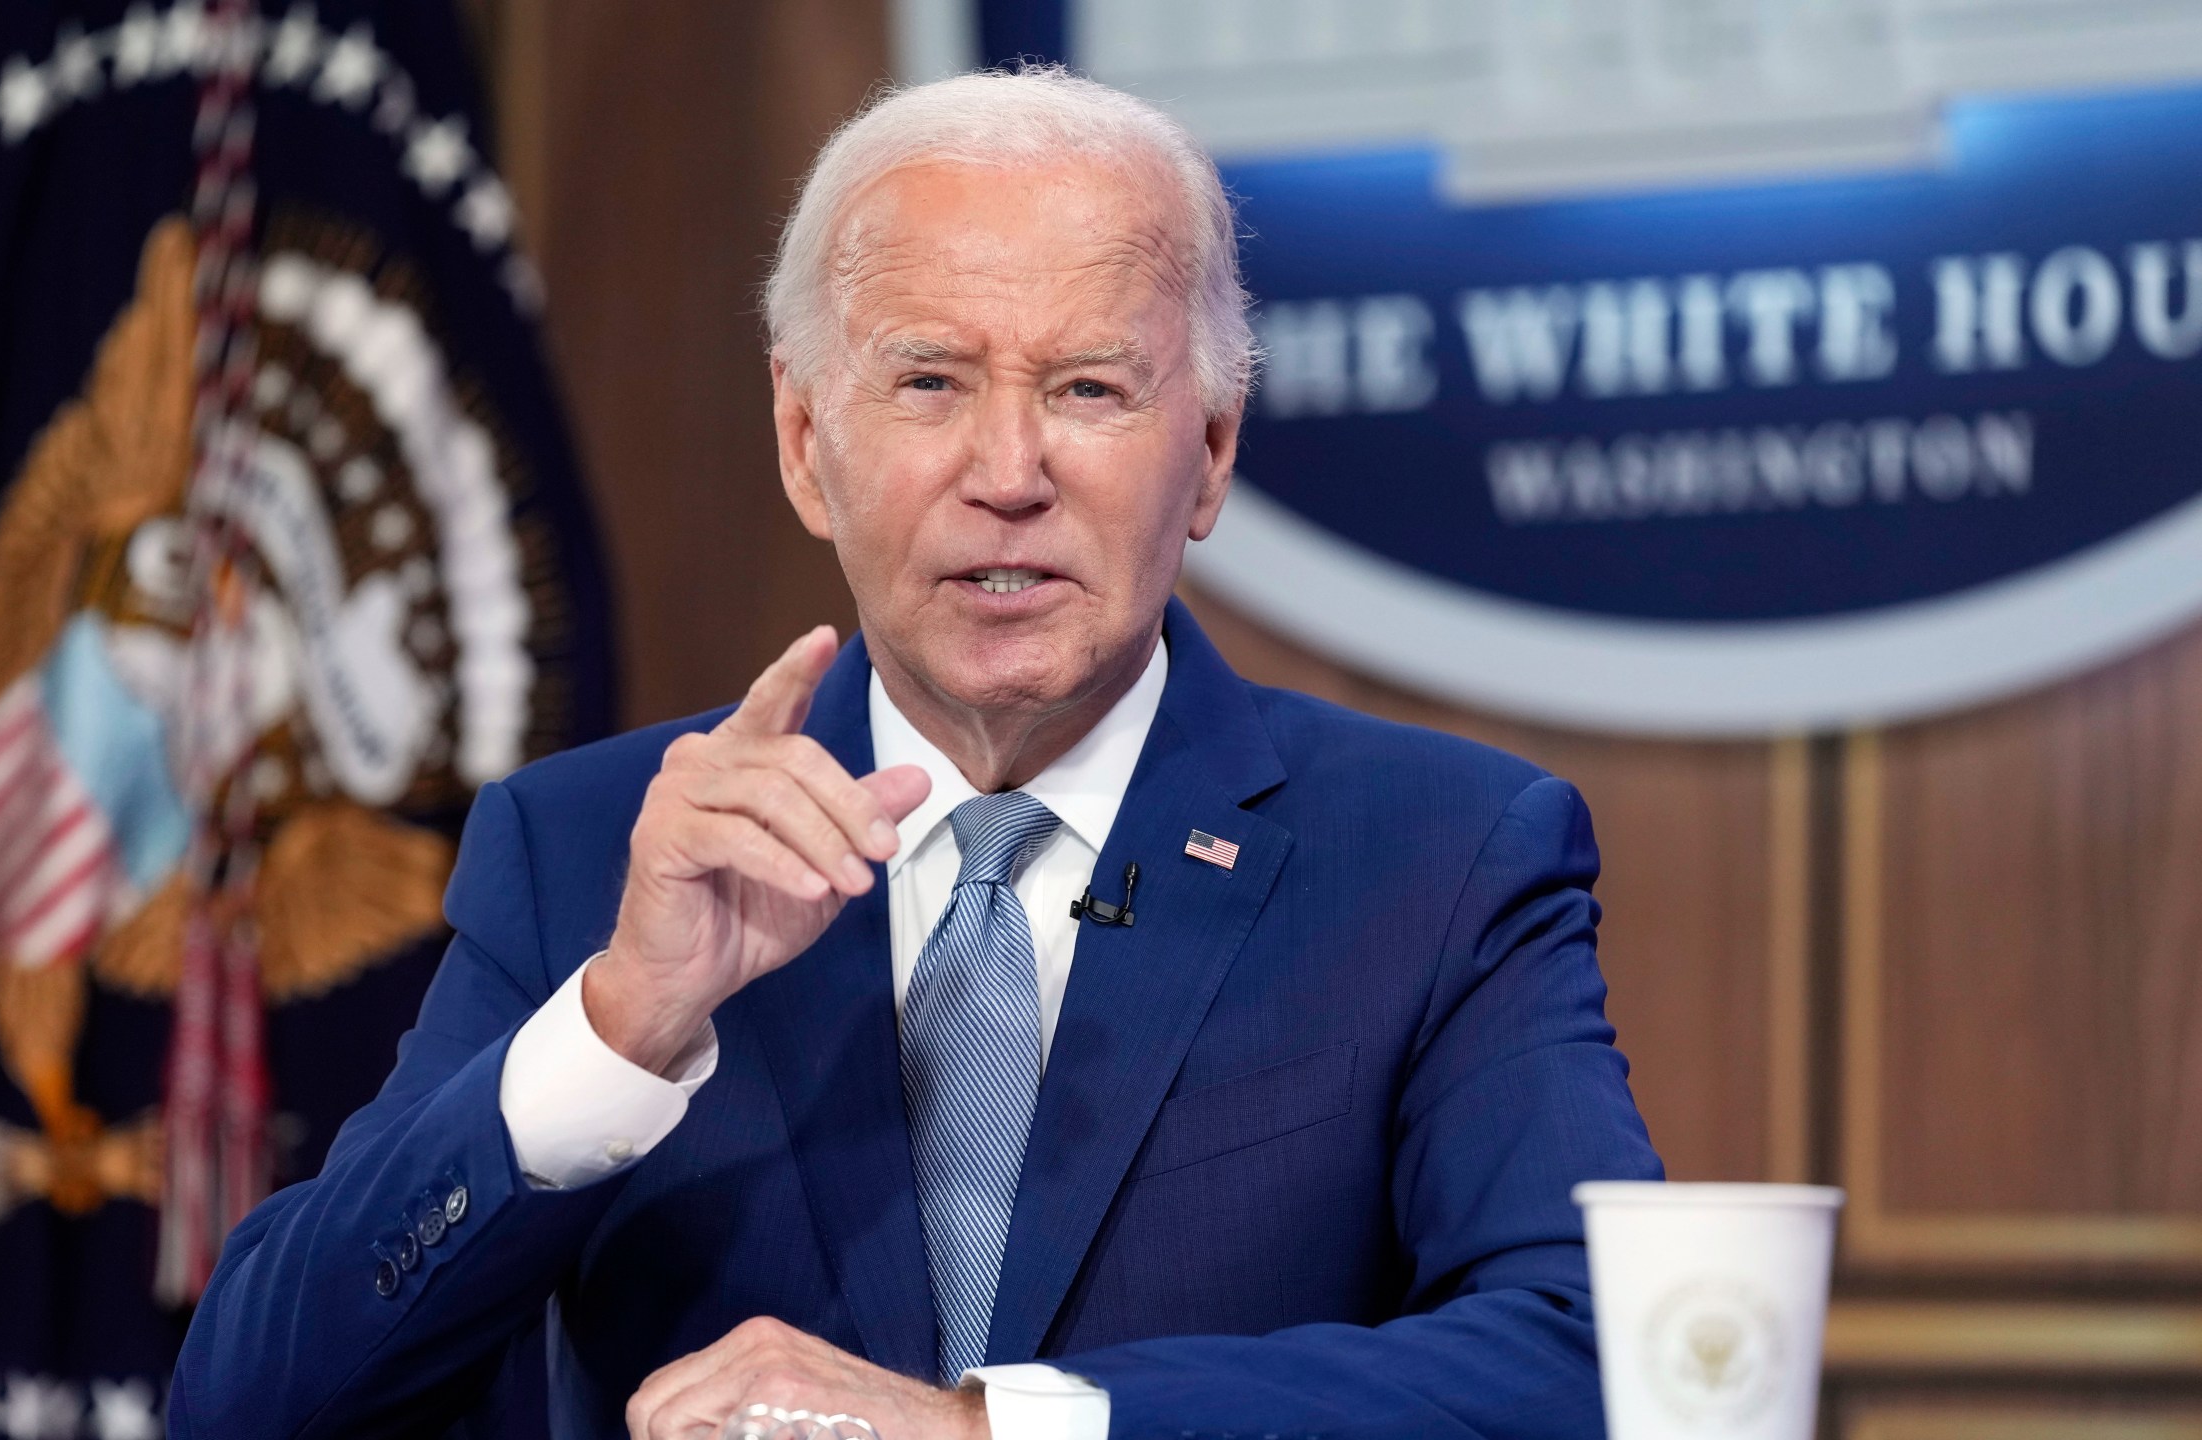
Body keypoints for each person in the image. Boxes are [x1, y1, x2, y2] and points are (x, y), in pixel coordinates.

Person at [169, 66, 1661, 1440]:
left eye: (1088, 387)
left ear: (1208, 450)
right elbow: (248, 1404)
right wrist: (620, 1025)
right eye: (930, 383)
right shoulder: (587, 852)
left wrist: (995, 1429)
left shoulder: (1443, 857)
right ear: (804, 440)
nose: (1006, 475)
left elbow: (1597, 1358)